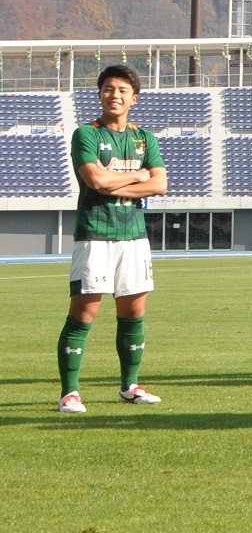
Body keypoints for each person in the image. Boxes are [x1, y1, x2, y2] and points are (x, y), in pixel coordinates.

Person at [57, 65, 168, 413]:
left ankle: (129, 385)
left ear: (134, 98)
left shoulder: (144, 137)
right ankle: (69, 393)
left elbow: (160, 184)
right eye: (108, 88)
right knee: (85, 312)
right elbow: (96, 182)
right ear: (100, 94)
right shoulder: (86, 135)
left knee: (134, 312)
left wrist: (118, 179)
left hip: (133, 236)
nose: (114, 95)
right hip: (95, 234)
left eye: (122, 90)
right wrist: (136, 175)